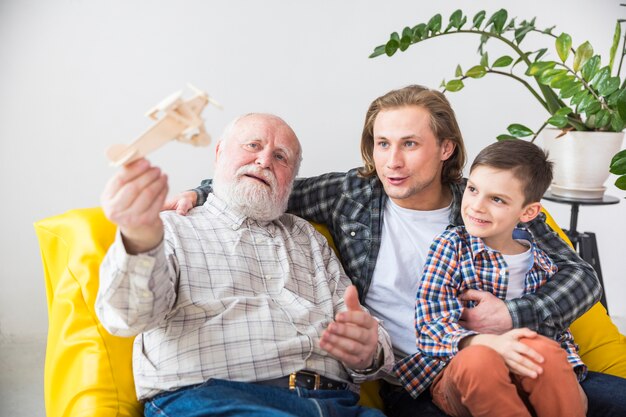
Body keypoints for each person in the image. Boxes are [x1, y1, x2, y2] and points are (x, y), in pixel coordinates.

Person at [167, 85, 626, 416]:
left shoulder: (489, 199)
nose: (392, 161)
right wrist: (200, 191)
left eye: (409, 144)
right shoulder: (352, 194)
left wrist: (511, 315)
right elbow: (268, 183)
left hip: (525, 361)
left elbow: (581, 278)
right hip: (423, 387)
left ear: (446, 148)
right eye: (382, 144)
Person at [96, 113, 396, 417]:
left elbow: (361, 325)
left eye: (280, 157)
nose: (264, 160)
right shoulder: (170, 228)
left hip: (334, 404)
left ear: (291, 179)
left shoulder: (308, 236)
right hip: (218, 399)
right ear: (219, 153)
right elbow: (127, 317)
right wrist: (138, 239)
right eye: (253, 145)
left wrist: (369, 349)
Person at [395, 140, 586, 417]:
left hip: (521, 372)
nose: (476, 206)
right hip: (458, 368)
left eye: (497, 199)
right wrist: (489, 343)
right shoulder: (452, 246)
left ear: (528, 212)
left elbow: (556, 331)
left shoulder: (542, 261)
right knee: (480, 360)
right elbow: (430, 327)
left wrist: (568, 377)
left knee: (546, 351)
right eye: (473, 190)